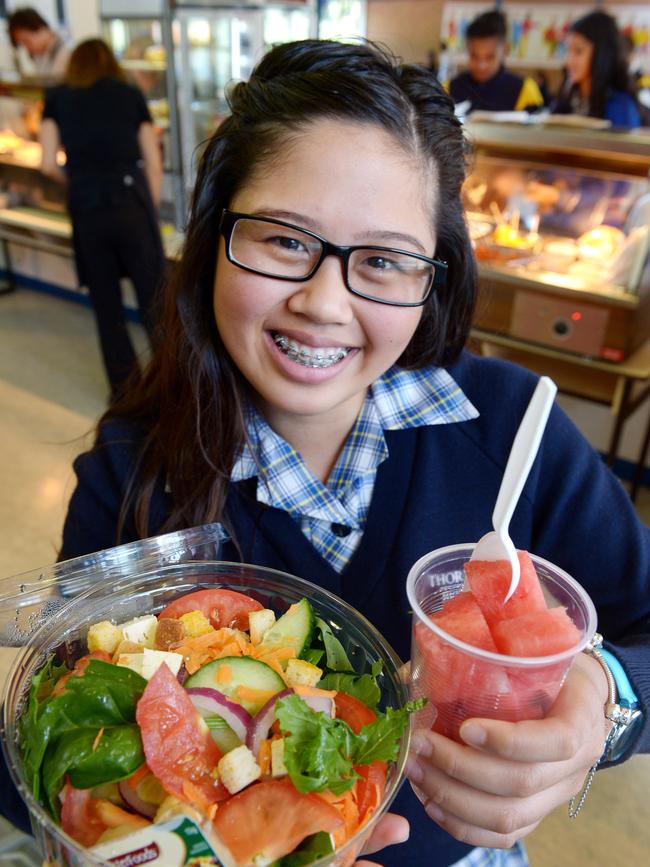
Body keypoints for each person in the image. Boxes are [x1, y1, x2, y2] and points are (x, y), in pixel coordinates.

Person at [2, 38, 649, 867]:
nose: (323, 303)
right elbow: (59, 752)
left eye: (382, 260)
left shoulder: (514, 431)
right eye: (282, 239)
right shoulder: (131, 471)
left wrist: (606, 701)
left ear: (435, 277)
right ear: (214, 234)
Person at [39, 38, 166, 400]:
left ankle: (126, 393)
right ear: (109, 62)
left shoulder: (57, 97)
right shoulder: (128, 93)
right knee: (154, 300)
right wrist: (148, 209)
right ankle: (172, 383)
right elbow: (152, 162)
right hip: (131, 204)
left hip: (87, 209)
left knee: (106, 305)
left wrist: (78, 181)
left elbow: (46, 162)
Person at [553, 11, 642, 128]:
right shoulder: (569, 99)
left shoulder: (619, 107)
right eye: (567, 50)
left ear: (602, 55)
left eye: (578, 51)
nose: (569, 61)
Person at [449, 10, 543, 113]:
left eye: (490, 57)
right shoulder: (449, 89)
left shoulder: (525, 90)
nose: (481, 65)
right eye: (474, 56)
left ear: (505, 50)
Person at [7, 7, 70, 79]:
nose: (27, 48)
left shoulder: (65, 53)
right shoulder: (38, 54)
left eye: (26, 41)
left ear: (40, 28)